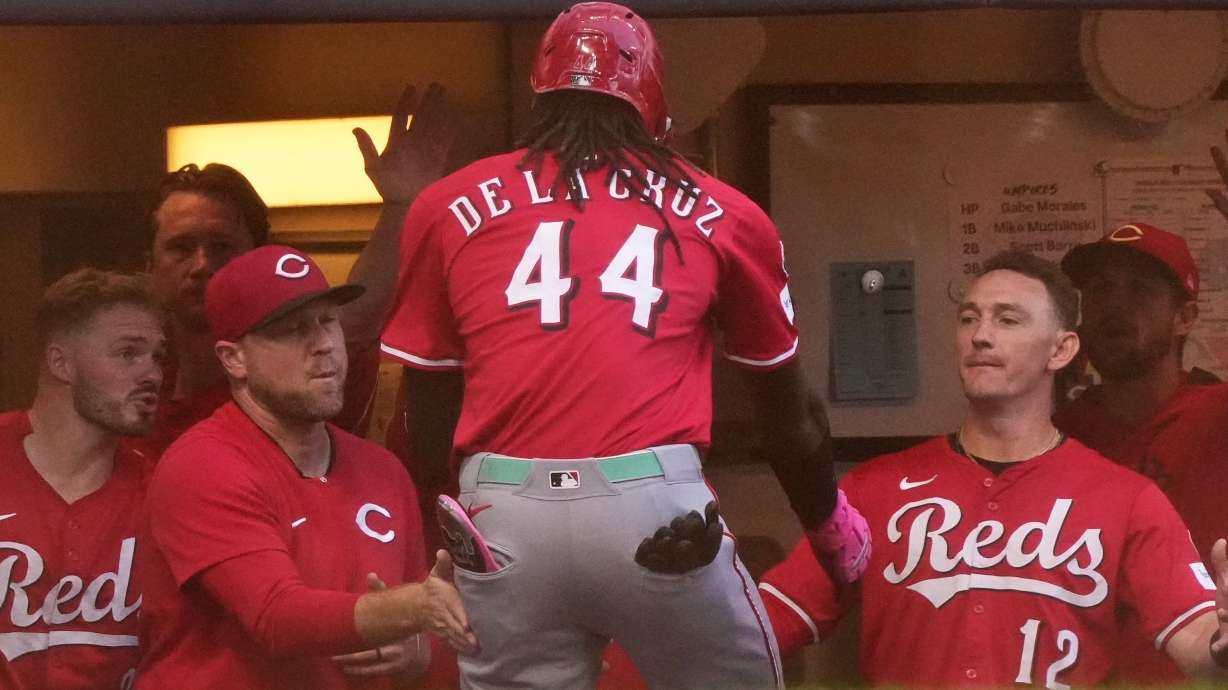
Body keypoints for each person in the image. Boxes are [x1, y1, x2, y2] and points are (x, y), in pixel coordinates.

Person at [375, 4, 865, 688]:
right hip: (652, 504)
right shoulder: (724, 211)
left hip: (503, 504)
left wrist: (468, 525)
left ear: (540, 91)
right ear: (654, 101)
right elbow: (793, 420)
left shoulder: (444, 205)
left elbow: (427, 417)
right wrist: (829, 529)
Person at [758, 251, 1228, 687]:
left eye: (1008, 319)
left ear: (1061, 350)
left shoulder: (1127, 499)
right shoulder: (874, 489)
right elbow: (765, 627)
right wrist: (691, 585)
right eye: (969, 318)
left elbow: (1198, 642)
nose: (981, 335)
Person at [135, 246, 475, 689]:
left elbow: (428, 642)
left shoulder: (383, 470)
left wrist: (418, 652)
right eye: (294, 330)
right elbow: (277, 619)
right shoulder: (202, 464)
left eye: (327, 320)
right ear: (233, 358)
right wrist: (415, 607)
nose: (324, 345)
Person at [133, 83, 450, 459]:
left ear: (259, 255)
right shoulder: (129, 385)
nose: (202, 265)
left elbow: (355, 320)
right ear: (149, 266)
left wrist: (402, 205)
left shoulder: (298, 372)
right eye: (182, 248)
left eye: (222, 247)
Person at [1055, 222, 1228, 683]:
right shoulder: (1054, 434)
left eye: (1140, 289)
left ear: (1185, 317)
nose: (1115, 304)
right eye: (1100, 289)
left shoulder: (1218, 416)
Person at [0, 269, 165, 689]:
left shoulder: (167, 492)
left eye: (157, 357)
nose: (153, 375)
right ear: (61, 362)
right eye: (129, 353)